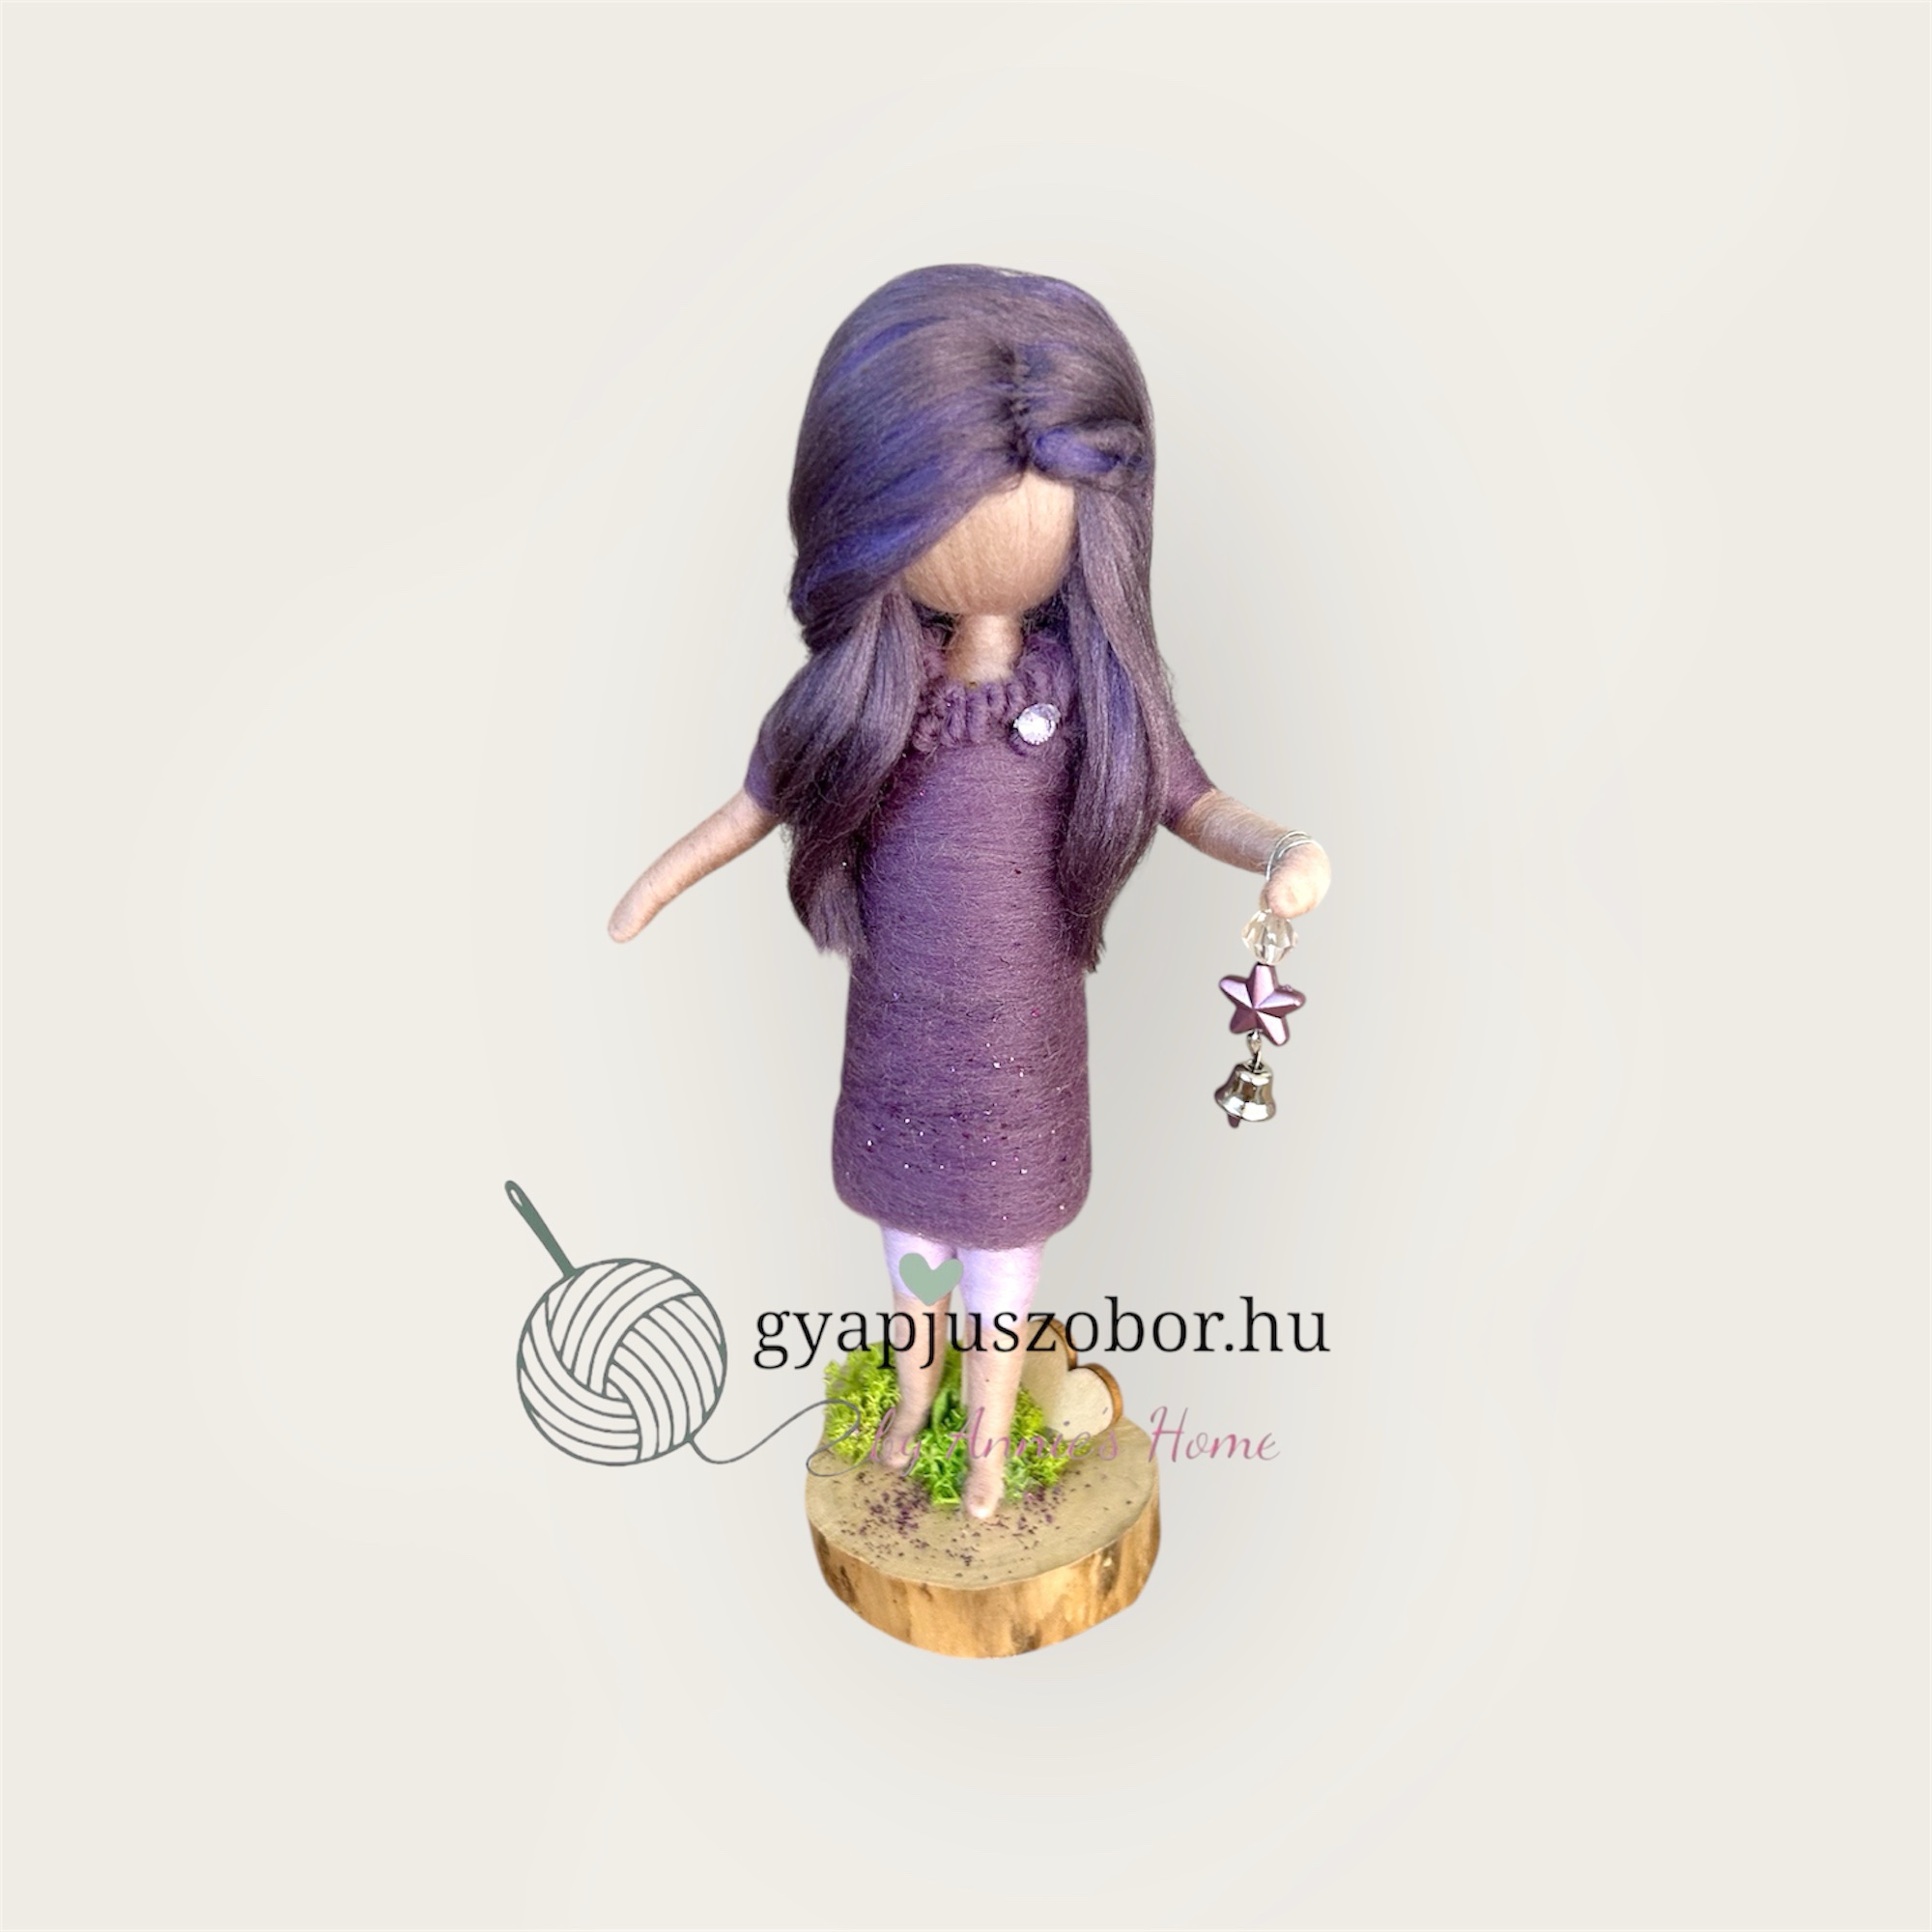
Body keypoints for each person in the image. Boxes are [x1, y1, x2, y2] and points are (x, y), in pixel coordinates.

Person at [609, 265, 1330, 1518]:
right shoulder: (870, 695)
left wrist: (1281, 849)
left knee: (1004, 1255)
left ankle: (986, 1433)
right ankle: (912, 1397)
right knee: (914, 1254)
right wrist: (661, 881)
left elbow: (1193, 799)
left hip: (1023, 1057)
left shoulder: (1090, 698)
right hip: (902, 1047)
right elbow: (751, 808)